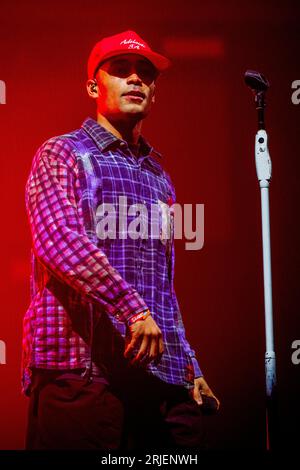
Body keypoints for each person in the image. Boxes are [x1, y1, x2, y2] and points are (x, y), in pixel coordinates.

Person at [22, 30, 220, 450]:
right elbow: (59, 240)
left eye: (145, 74)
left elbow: (162, 286)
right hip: (81, 371)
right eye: (121, 70)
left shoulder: (159, 176)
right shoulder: (62, 153)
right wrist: (133, 311)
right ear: (94, 86)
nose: (136, 79)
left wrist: (189, 364)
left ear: (155, 92)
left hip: (157, 377)